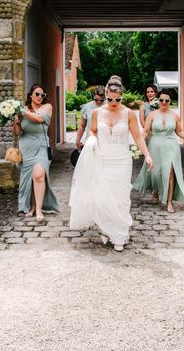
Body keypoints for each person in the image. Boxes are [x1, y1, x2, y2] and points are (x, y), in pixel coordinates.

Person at [69, 75, 153, 252]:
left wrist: (147, 155)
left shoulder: (129, 113)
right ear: (106, 95)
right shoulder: (96, 113)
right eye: (109, 99)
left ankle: (120, 235)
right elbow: (92, 131)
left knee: (120, 198)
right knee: (102, 198)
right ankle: (107, 228)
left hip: (122, 160)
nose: (113, 102)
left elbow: (137, 136)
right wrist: (91, 140)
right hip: (103, 159)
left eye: (118, 99)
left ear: (122, 95)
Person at [133, 89, 184, 213]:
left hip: (171, 146)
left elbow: (179, 131)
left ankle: (169, 202)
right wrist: (139, 143)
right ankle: (156, 192)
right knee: (155, 173)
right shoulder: (152, 115)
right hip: (155, 146)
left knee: (170, 172)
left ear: (170, 101)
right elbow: (145, 131)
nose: (164, 102)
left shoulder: (175, 116)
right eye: (161, 100)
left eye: (167, 100)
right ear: (158, 100)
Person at [12, 84, 59, 222]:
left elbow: (38, 119)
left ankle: (38, 210)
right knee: (30, 178)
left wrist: (21, 111)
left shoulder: (47, 107)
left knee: (39, 174)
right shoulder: (23, 110)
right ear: (30, 95)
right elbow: (17, 133)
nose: (40, 97)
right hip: (26, 147)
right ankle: (31, 207)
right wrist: (15, 122)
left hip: (42, 146)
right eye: (37, 94)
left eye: (42, 95)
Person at [75, 86, 105, 150]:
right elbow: (82, 126)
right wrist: (78, 140)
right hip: (91, 140)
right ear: (93, 97)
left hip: (106, 142)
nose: (99, 102)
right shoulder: (87, 107)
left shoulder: (110, 106)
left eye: (102, 100)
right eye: (96, 100)